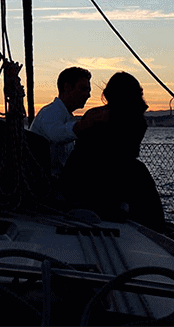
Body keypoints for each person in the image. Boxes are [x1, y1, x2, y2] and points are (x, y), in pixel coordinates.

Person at [61, 71, 165, 231]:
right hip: (108, 187)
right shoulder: (138, 123)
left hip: (76, 183)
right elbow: (124, 159)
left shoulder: (92, 115)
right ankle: (158, 228)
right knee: (138, 172)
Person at [29, 67, 106, 180]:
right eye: (83, 89)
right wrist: (85, 125)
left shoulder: (66, 117)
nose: (88, 95)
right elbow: (56, 134)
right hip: (45, 184)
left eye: (88, 90)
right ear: (67, 87)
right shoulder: (50, 112)